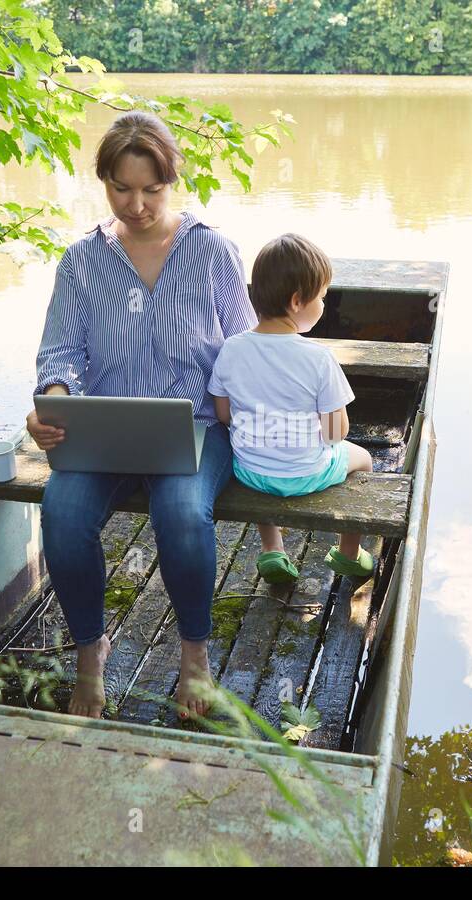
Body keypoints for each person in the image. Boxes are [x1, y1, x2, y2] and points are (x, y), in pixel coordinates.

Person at [25, 111, 255, 720]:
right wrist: (53, 399)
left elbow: (246, 345)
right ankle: (90, 654)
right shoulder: (81, 260)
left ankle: (195, 657)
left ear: (170, 181)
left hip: (199, 425)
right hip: (106, 428)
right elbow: (61, 350)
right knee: (63, 514)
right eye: (121, 188)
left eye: (151, 190)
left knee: (182, 514)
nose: (136, 205)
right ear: (103, 182)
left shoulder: (212, 251)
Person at [206, 234, 375, 585]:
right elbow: (335, 433)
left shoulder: (232, 349)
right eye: (322, 298)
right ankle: (348, 553)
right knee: (363, 459)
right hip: (306, 473)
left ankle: (273, 548)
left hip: (250, 471)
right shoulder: (318, 359)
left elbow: (224, 415)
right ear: (298, 301)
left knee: (261, 451)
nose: (324, 306)